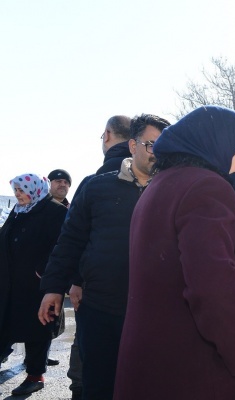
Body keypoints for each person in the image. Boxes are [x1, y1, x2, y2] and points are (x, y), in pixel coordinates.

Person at [113, 106, 235, 400]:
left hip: (155, 360)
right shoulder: (208, 187)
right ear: (217, 143)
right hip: (195, 367)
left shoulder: (162, 183)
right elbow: (212, 288)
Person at [37, 114, 170, 400]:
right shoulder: (96, 186)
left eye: (165, 146)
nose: (158, 153)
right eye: (151, 145)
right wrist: (53, 288)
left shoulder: (173, 191)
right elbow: (71, 240)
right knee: (99, 387)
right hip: (101, 312)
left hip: (156, 315)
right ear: (133, 145)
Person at [65, 115, 132, 400]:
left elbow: (72, 237)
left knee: (91, 358)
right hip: (140, 294)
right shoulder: (158, 181)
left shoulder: (93, 183)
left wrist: (74, 281)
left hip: (97, 294)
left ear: (107, 136)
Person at [0, 173, 67, 396]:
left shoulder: (55, 212)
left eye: (21, 189)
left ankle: (35, 376)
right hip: (11, 282)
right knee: (5, 322)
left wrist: (44, 270)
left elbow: (63, 245)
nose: (18, 194)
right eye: (16, 190)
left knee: (37, 329)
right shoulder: (19, 210)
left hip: (37, 285)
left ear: (34, 188)